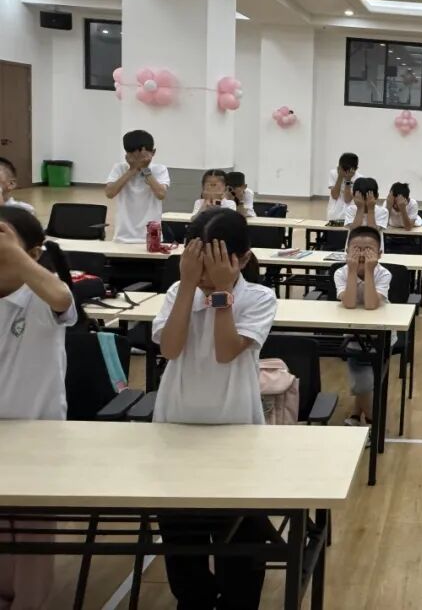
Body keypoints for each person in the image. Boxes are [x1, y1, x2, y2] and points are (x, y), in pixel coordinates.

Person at [152, 208, 277, 610]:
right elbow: (170, 349)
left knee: (238, 541)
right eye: (198, 263)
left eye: (215, 264)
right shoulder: (179, 291)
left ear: (242, 259)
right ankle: (194, 600)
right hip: (176, 427)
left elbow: (226, 352)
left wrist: (221, 293)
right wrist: (188, 285)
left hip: (235, 430)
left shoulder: (258, 297)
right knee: (182, 542)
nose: (205, 274)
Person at [0, 207, 78, 610]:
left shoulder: (43, 295)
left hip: (38, 438)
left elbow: (62, 297)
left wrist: (16, 256)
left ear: (33, 252)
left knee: (31, 536)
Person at [335, 226, 393, 432]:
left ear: (379, 254)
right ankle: (366, 416)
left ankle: (366, 419)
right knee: (362, 377)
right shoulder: (341, 272)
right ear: (347, 251)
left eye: (368, 250)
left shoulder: (383, 273)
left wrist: (368, 271)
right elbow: (349, 303)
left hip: (380, 333)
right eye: (356, 249)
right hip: (353, 332)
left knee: (363, 378)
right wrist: (352, 271)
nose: (361, 254)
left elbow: (371, 304)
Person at [104, 129, 169, 243]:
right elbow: (110, 193)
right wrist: (132, 169)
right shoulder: (119, 168)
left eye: (142, 156)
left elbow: (161, 194)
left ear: (153, 152)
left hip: (151, 237)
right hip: (123, 237)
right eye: (133, 155)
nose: (138, 159)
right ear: (127, 154)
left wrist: (145, 169)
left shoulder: (160, 169)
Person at [344, 178, 389, 242]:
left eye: (368, 198)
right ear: (354, 196)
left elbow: (373, 232)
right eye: (360, 198)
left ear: (376, 196)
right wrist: (360, 209)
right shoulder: (350, 210)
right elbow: (354, 231)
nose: (364, 202)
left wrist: (371, 209)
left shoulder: (383, 211)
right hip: (354, 246)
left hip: (373, 246)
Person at [327, 152, 359, 221]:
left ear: (355, 169)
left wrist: (348, 180)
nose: (346, 173)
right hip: (334, 213)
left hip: (350, 214)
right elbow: (335, 196)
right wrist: (340, 177)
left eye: (349, 170)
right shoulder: (333, 173)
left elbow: (347, 199)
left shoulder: (359, 178)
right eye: (344, 169)